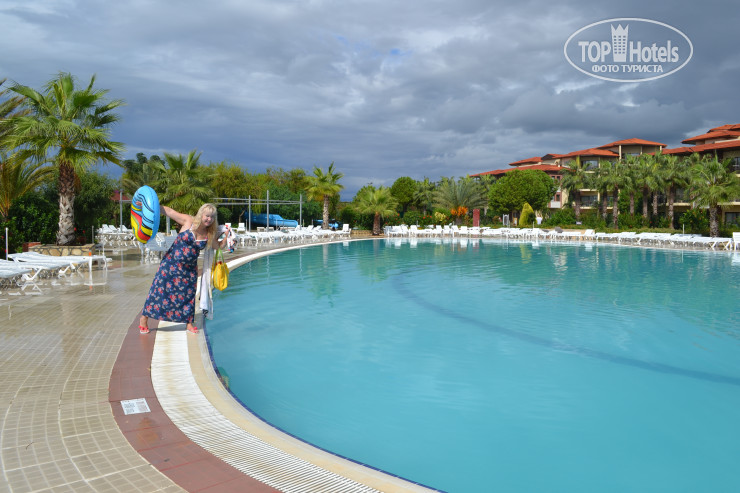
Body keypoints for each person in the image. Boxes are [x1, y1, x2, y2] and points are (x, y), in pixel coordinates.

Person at [138, 203, 229, 335]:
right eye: (207, 216)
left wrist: (226, 237)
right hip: (170, 265)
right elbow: (169, 211)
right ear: (201, 214)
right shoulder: (188, 221)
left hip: (189, 271)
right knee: (158, 292)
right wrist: (149, 205)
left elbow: (218, 247)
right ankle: (144, 318)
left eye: (212, 217)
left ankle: (188, 323)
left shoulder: (209, 234)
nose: (209, 219)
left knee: (188, 296)